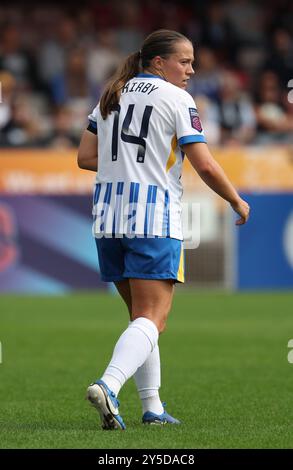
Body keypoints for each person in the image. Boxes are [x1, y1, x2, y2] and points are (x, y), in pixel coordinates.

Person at [77, 29, 250, 430]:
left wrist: (126, 166)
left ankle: (152, 407)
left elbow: (85, 157)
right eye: (184, 61)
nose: (191, 69)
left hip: (108, 216)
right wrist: (236, 200)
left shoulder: (111, 93)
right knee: (154, 318)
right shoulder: (177, 99)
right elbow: (205, 164)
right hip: (153, 216)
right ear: (159, 62)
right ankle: (109, 383)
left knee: (140, 317)